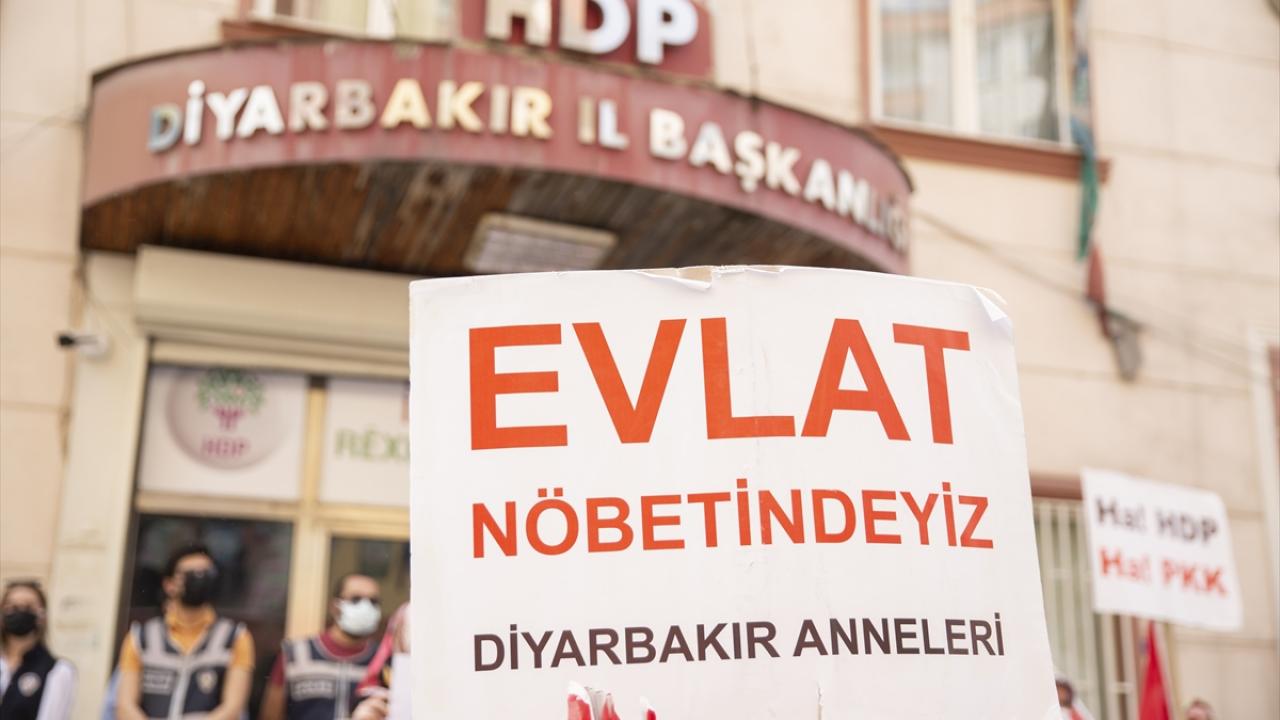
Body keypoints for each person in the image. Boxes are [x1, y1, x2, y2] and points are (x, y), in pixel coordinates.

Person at [115, 543, 254, 720]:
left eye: (206, 574)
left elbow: (232, 709)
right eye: (191, 574)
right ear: (169, 585)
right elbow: (125, 707)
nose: (199, 579)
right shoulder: (141, 638)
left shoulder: (235, 638)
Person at [260, 574, 383, 720]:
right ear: (334, 606)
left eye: (373, 601)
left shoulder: (383, 660)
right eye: (355, 599)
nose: (366, 607)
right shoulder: (295, 654)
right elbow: (270, 716)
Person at [0, 580, 75, 720]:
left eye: (28, 607)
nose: (19, 612)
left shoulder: (56, 670)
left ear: (42, 615)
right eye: (12, 606)